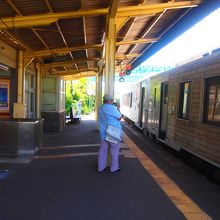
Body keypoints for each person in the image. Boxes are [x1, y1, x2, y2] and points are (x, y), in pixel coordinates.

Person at [97, 93, 122, 173]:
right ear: (109, 100)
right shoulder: (111, 108)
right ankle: (114, 168)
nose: (112, 101)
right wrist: (118, 108)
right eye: (112, 100)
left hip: (103, 132)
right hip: (113, 131)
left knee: (103, 150)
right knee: (114, 151)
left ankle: (101, 167)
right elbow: (119, 117)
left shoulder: (100, 108)